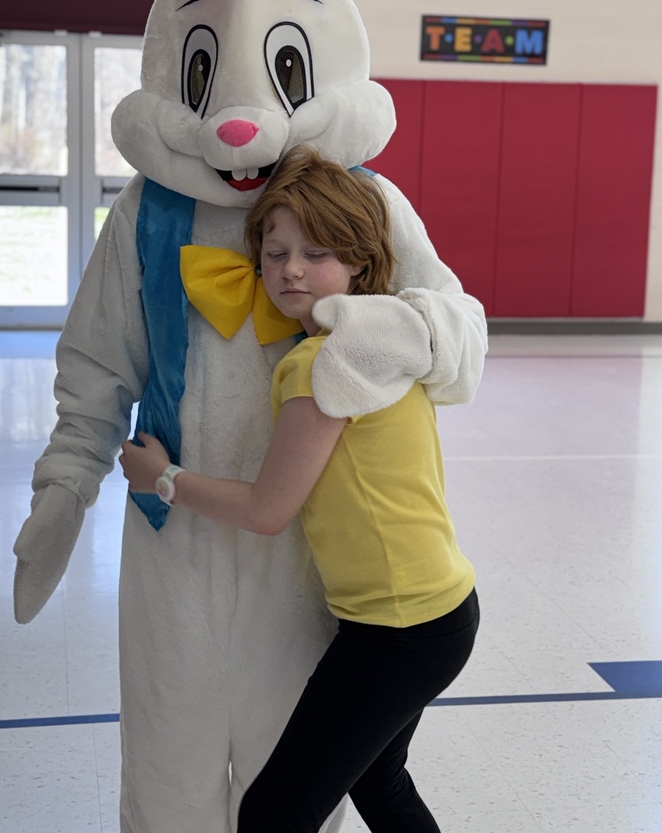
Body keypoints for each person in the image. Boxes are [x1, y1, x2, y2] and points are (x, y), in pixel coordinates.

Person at [119, 146, 480, 833]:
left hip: (399, 630)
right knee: (380, 781)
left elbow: (267, 509)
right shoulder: (392, 336)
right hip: (439, 610)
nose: (289, 269)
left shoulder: (325, 365)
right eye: (275, 251)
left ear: (359, 263)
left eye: (315, 253)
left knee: (274, 812)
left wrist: (162, 478)